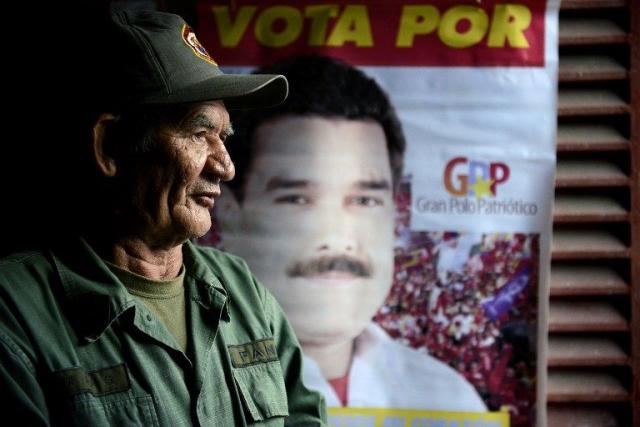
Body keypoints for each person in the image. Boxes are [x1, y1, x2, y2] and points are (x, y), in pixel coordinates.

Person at [0, 10, 326, 426]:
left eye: (223, 138)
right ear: (110, 147)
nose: (225, 166)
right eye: (197, 133)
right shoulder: (15, 315)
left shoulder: (242, 291)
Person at [214, 55, 487, 411]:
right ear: (229, 213)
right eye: (297, 198)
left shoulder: (447, 398)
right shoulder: (192, 385)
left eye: (364, 199)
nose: (339, 237)